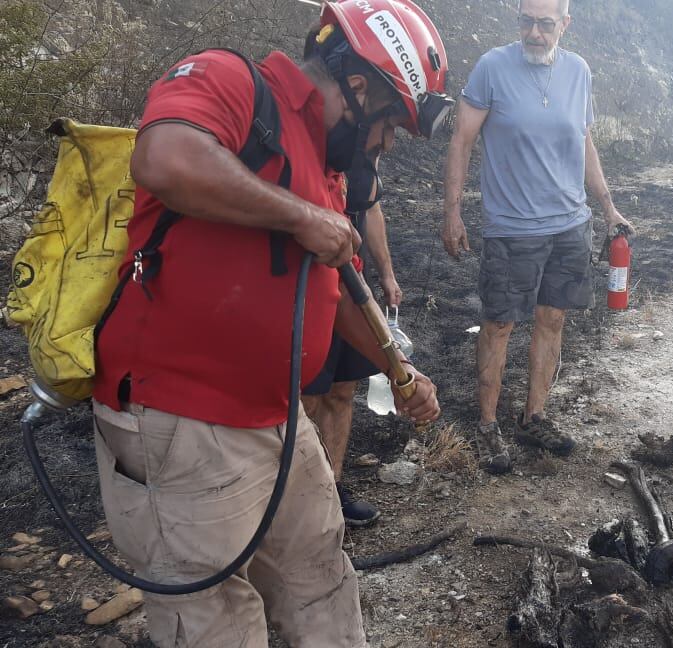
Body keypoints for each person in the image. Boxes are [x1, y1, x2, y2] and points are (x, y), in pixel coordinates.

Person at [90, 1, 449, 644]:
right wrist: (300, 216)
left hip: (277, 417)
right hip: (182, 422)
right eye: (390, 126)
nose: (387, 144)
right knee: (215, 618)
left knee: (320, 573)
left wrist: (400, 372)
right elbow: (165, 158)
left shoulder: (328, 164)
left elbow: (335, 288)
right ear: (359, 87)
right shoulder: (231, 81)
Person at [441, 0, 634, 475]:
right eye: (526, 21)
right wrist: (452, 211)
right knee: (499, 324)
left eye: (545, 24)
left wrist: (607, 206)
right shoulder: (491, 68)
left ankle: (534, 417)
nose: (534, 33)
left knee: (552, 319)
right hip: (511, 229)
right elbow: (462, 138)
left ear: (564, 25)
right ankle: (488, 425)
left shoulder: (579, 72)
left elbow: (583, 139)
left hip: (570, 225)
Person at [299, 27, 404, 529]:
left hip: (351, 280)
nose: (385, 140)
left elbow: (371, 209)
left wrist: (385, 274)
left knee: (343, 391)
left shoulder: (358, 157)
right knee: (308, 394)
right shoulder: (322, 141)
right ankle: (303, 495)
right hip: (318, 283)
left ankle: (332, 488)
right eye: (386, 126)